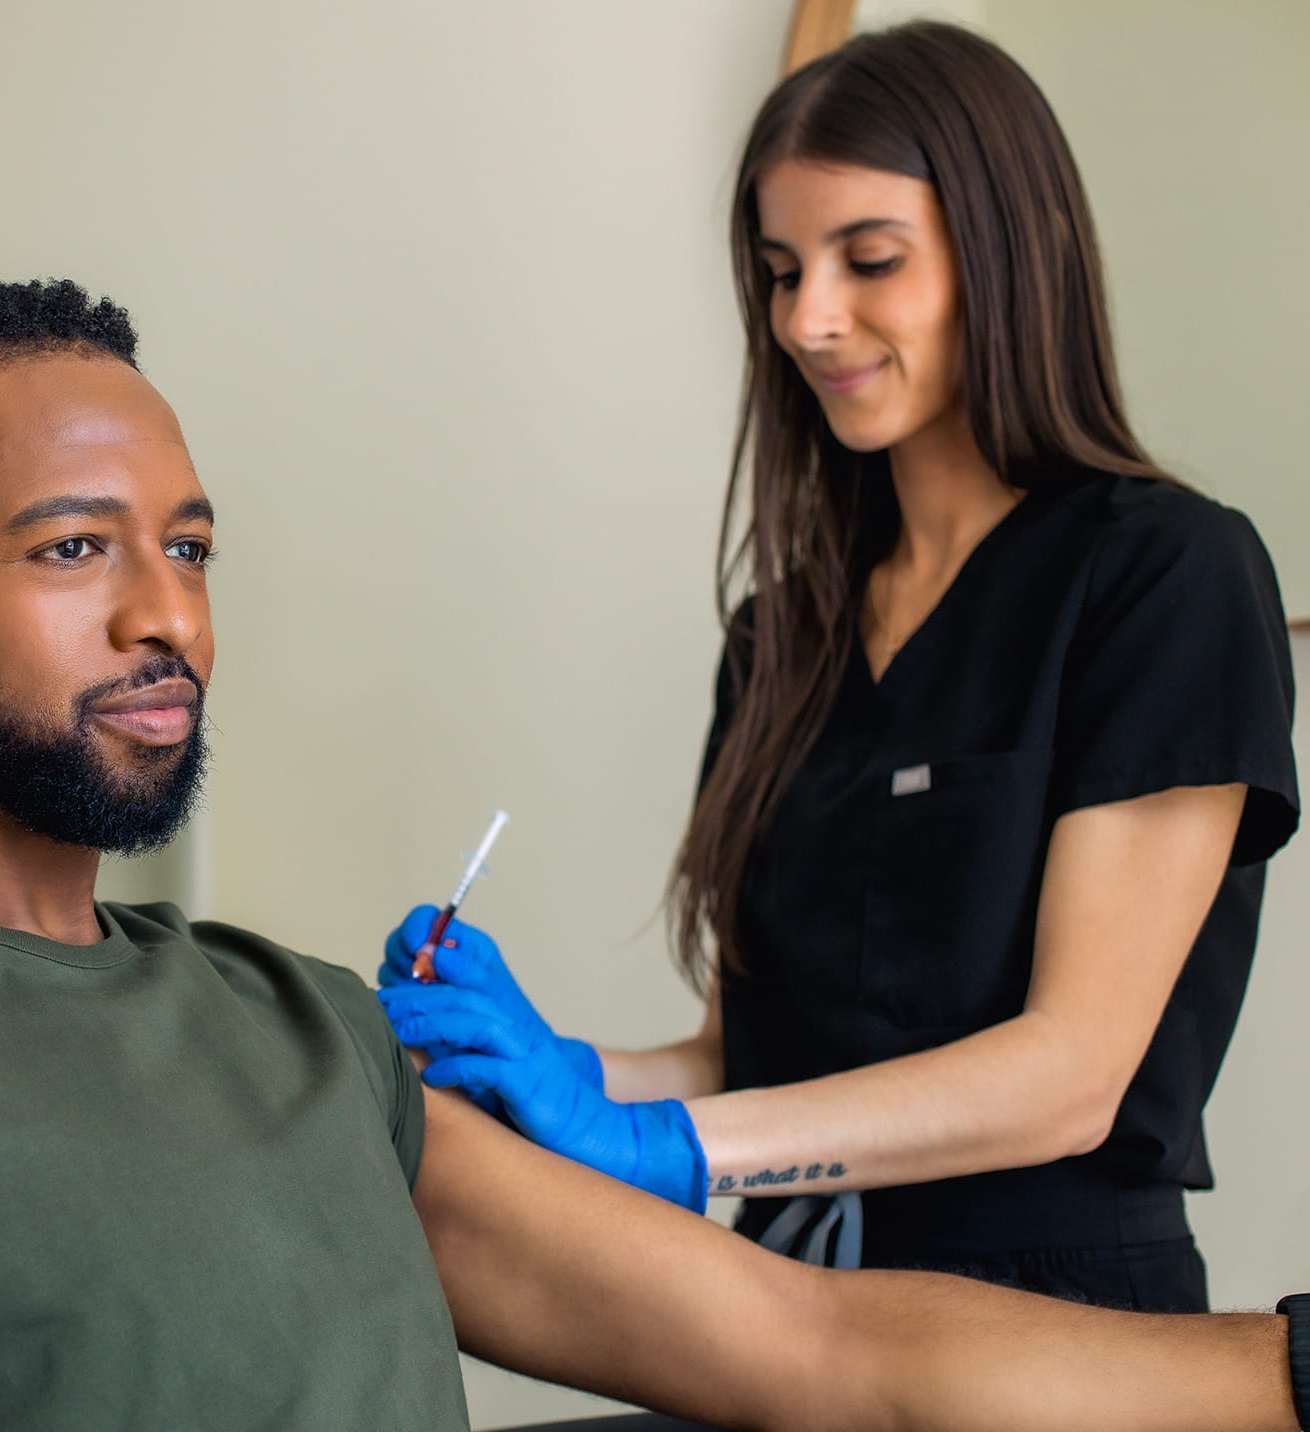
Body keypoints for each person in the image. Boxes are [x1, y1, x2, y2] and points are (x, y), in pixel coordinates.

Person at [0, 278, 1305, 1432]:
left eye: (192, 545)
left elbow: (827, 1353)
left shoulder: (301, 1028)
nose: (171, 615)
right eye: (78, 548)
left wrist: (1286, 1369)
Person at [376, 20, 1299, 1312]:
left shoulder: (1165, 580)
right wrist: (548, 1068)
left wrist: (668, 1151)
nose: (809, 320)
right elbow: (744, 1062)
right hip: (779, 1310)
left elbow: (1073, 1074)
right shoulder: (779, 639)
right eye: (778, 268)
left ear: (1007, 250)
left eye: (870, 260)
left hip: (1049, 1327)